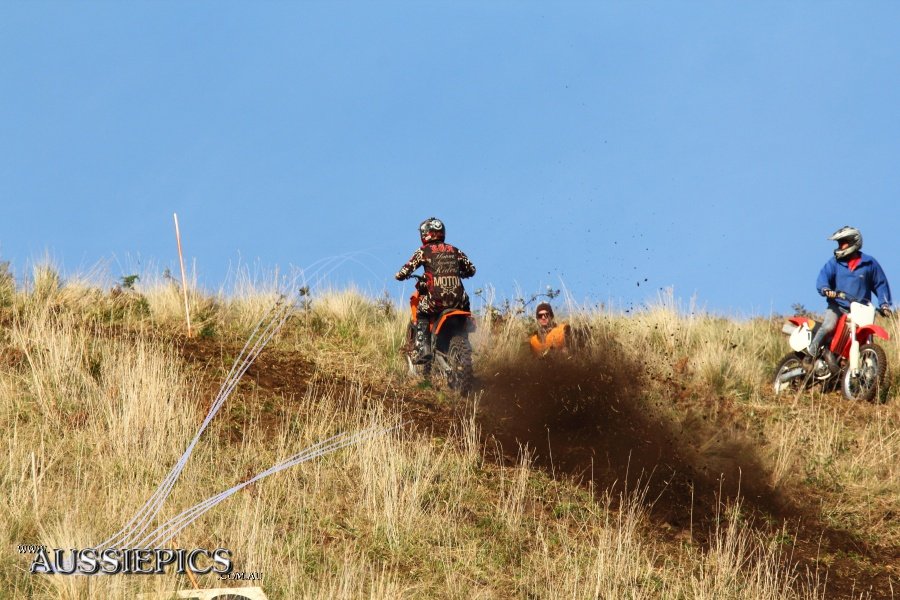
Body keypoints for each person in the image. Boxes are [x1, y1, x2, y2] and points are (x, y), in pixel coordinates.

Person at [807, 226, 893, 371]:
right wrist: (826, 290)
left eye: (843, 243)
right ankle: (811, 354)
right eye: (839, 243)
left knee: (866, 335)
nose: (840, 246)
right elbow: (823, 277)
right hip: (838, 306)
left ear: (854, 242)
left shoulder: (869, 263)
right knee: (828, 326)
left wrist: (885, 304)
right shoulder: (835, 262)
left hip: (861, 310)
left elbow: (880, 284)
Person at [395, 217, 476, 363]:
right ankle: (464, 339)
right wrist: (461, 274)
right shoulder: (455, 250)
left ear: (426, 233)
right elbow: (472, 269)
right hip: (459, 301)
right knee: (466, 308)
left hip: (436, 299)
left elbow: (406, 269)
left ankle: (423, 349)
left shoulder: (424, 251)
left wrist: (400, 275)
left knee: (421, 311)